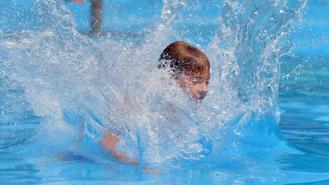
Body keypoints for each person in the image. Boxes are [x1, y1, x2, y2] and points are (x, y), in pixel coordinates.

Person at [100, 41, 211, 164]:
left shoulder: (188, 110)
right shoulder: (142, 103)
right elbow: (106, 145)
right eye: (195, 81)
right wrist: (135, 163)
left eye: (207, 81)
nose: (204, 89)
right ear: (171, 78)